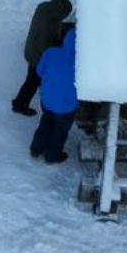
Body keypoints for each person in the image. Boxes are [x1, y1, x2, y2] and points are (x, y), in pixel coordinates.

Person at [12, 0, 74, 115]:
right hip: (36, 57)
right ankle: (19, 104)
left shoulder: (44, 7)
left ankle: (21, 102)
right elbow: (46, 50)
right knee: (32, 81)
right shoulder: (49, 26)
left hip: (31, 48)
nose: (64, 17)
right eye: (64, 14)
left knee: (32, 80)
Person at [29, 26, 79, 165]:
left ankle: (36, 149)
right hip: (66, 106)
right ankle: (52, 156)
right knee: (60, 132)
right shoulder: (83, 64)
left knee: (46, 122)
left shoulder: (51, 53)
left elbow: (39, 71)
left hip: (47, 100)